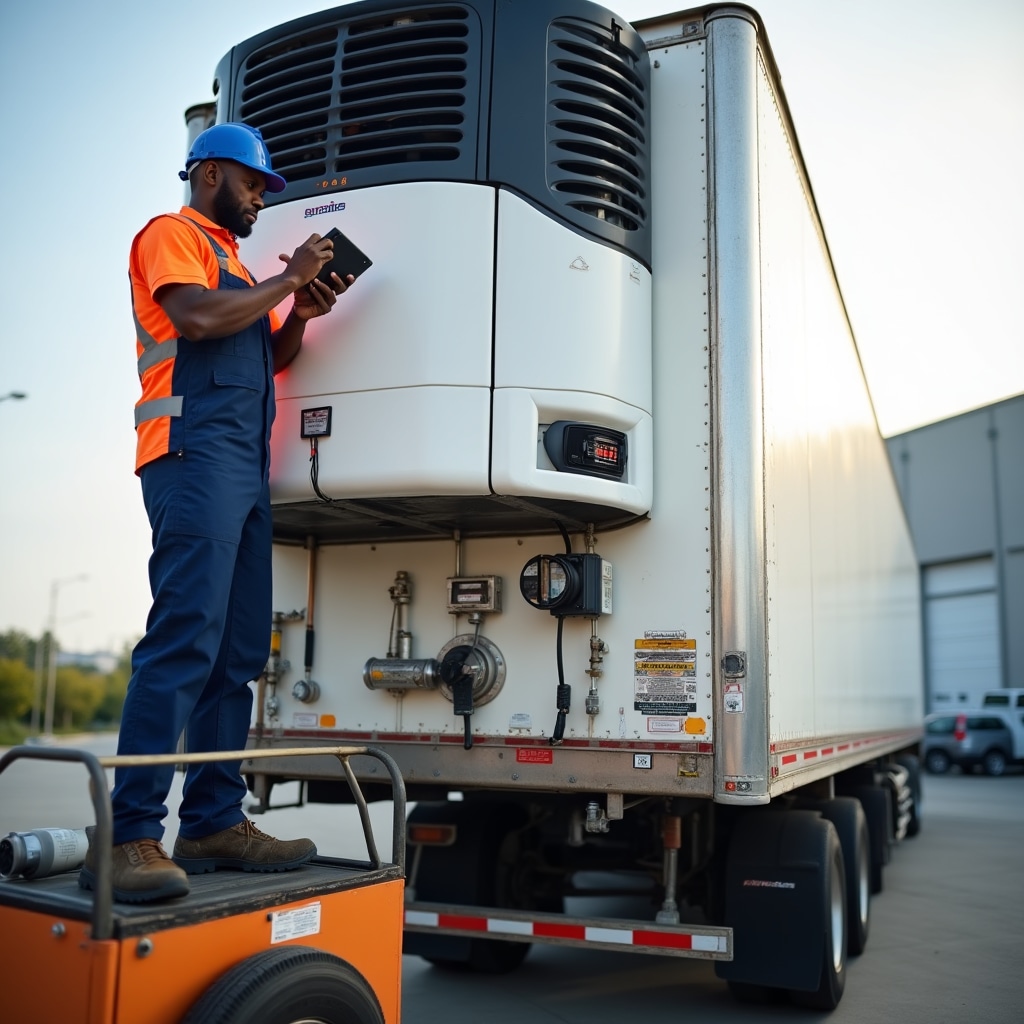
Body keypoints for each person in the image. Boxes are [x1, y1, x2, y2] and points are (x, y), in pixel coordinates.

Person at [79, 123, 355, 903]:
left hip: (243, 470)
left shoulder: (237, 265)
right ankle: (129, 833)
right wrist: (287, 278)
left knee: (236, 654)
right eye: (254, 182)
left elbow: (270, 355)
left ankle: (211, 823)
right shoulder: (174, 235)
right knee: (184, 640)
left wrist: (298, 308)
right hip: (190, 454)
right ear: (209, 175)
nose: (263, 196)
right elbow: (196, 321)